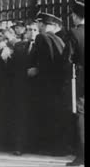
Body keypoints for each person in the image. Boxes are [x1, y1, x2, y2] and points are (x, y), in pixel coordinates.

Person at [28, 13, 69, 155]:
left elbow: (44, 61)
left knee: (47, 116)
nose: (37, 26)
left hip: (46, 84)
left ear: (42, 24)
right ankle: (60, 147)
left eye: (39, 23)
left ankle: (50, 147)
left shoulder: (41, 37)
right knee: (57, 116)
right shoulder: (58, 39)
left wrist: (36, 69)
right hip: (58, 84)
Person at [10, 21, 39, 156]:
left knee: (35, 116)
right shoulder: (19, 46)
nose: (32, 32)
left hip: (37, 88)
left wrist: (38, 70)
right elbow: (14, 67)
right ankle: (19, 146)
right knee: (20, 116)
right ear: (26, 32)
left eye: (35, 29)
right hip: (21, 87)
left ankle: (34, 145)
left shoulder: (42, 46)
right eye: (30, 29)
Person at [64, 2, 84, 166]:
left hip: (81, 77)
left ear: (76, 16)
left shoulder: (74, 32)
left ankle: (82, 155)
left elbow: (67, 59)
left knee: (81, 115)